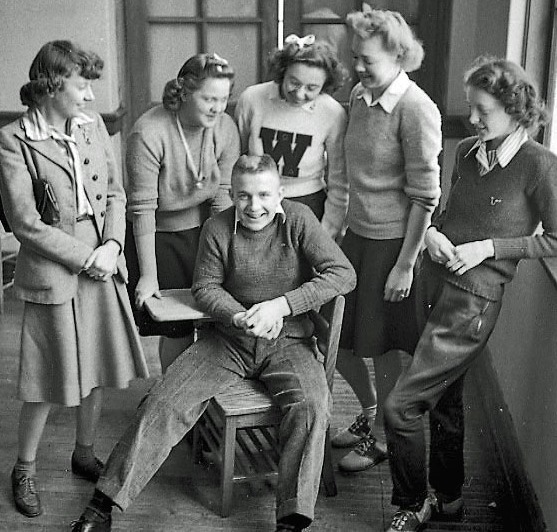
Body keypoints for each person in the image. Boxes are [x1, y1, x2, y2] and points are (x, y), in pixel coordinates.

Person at [70, 154, 357, 532]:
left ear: (280, 193)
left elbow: (343, 273)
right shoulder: (217, 227)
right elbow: (204, 288)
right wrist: (239, 316)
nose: (254, 206)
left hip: (289, 341)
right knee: (164, 400)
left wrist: (282, 306)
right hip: (229, 341)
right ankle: (101, 506)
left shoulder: (300, 219)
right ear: (232, 195)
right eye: (243, 196)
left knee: (312, 407)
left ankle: (292, 520)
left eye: (264, 195)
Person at [383, 56, 557, 532]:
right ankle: (450, 498)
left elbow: (556, 239)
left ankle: (413, 501)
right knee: (444, 401)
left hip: (473, 303)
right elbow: (445, 216)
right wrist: (433, 235)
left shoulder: (539, 166)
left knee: (400, 407)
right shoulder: (465, 152)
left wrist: (490, 248)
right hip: (433, 283)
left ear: (516, 109)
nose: (473, 119)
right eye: (471, 108)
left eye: (482, 111)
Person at [0, 40, 149, 519]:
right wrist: (89, 257)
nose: (89, 95)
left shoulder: (94, 126)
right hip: (56, 266)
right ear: (50, 85)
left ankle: (84, 451)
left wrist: (113, 246)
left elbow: (117, 195)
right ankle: (23, 468)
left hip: (103, 258)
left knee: (99, 367)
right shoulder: (13, 140)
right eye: (81, 84)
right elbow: (25, 224)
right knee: (48, 377)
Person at [321, 5, 442, 472]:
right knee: (345, 340)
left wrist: (406, 264)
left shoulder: (416, 109)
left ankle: (381, 437)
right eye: (355, 56)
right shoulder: (358, 95)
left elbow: (426, 198)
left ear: (398, 55)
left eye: (367, 59)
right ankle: (370, 413)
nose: (357, 66)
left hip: (396, 246)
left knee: (388, 349)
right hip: (357, 238)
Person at [125, 52, 240, 372]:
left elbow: (222, 196)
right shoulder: (147, 132)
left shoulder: (225, 127)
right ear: (184, 92)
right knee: (177, 328)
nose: (218, 108)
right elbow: (143, 209)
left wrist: (230, 254)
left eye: (224, 99)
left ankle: (204, 400)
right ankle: (171, 396)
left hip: (206, 231)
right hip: (156, 237)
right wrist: (149, 276)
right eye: (208, 99)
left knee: (214, 320)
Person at [235, 34, 348, 220]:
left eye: (312, 88)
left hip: (309, 203)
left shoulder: (332, 112)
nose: (300, 93)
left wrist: (331, 225)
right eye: (294, 83)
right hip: (256, 201)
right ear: (282, 72)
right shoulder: (252, 99)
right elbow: (239, 156)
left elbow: (339, 177)